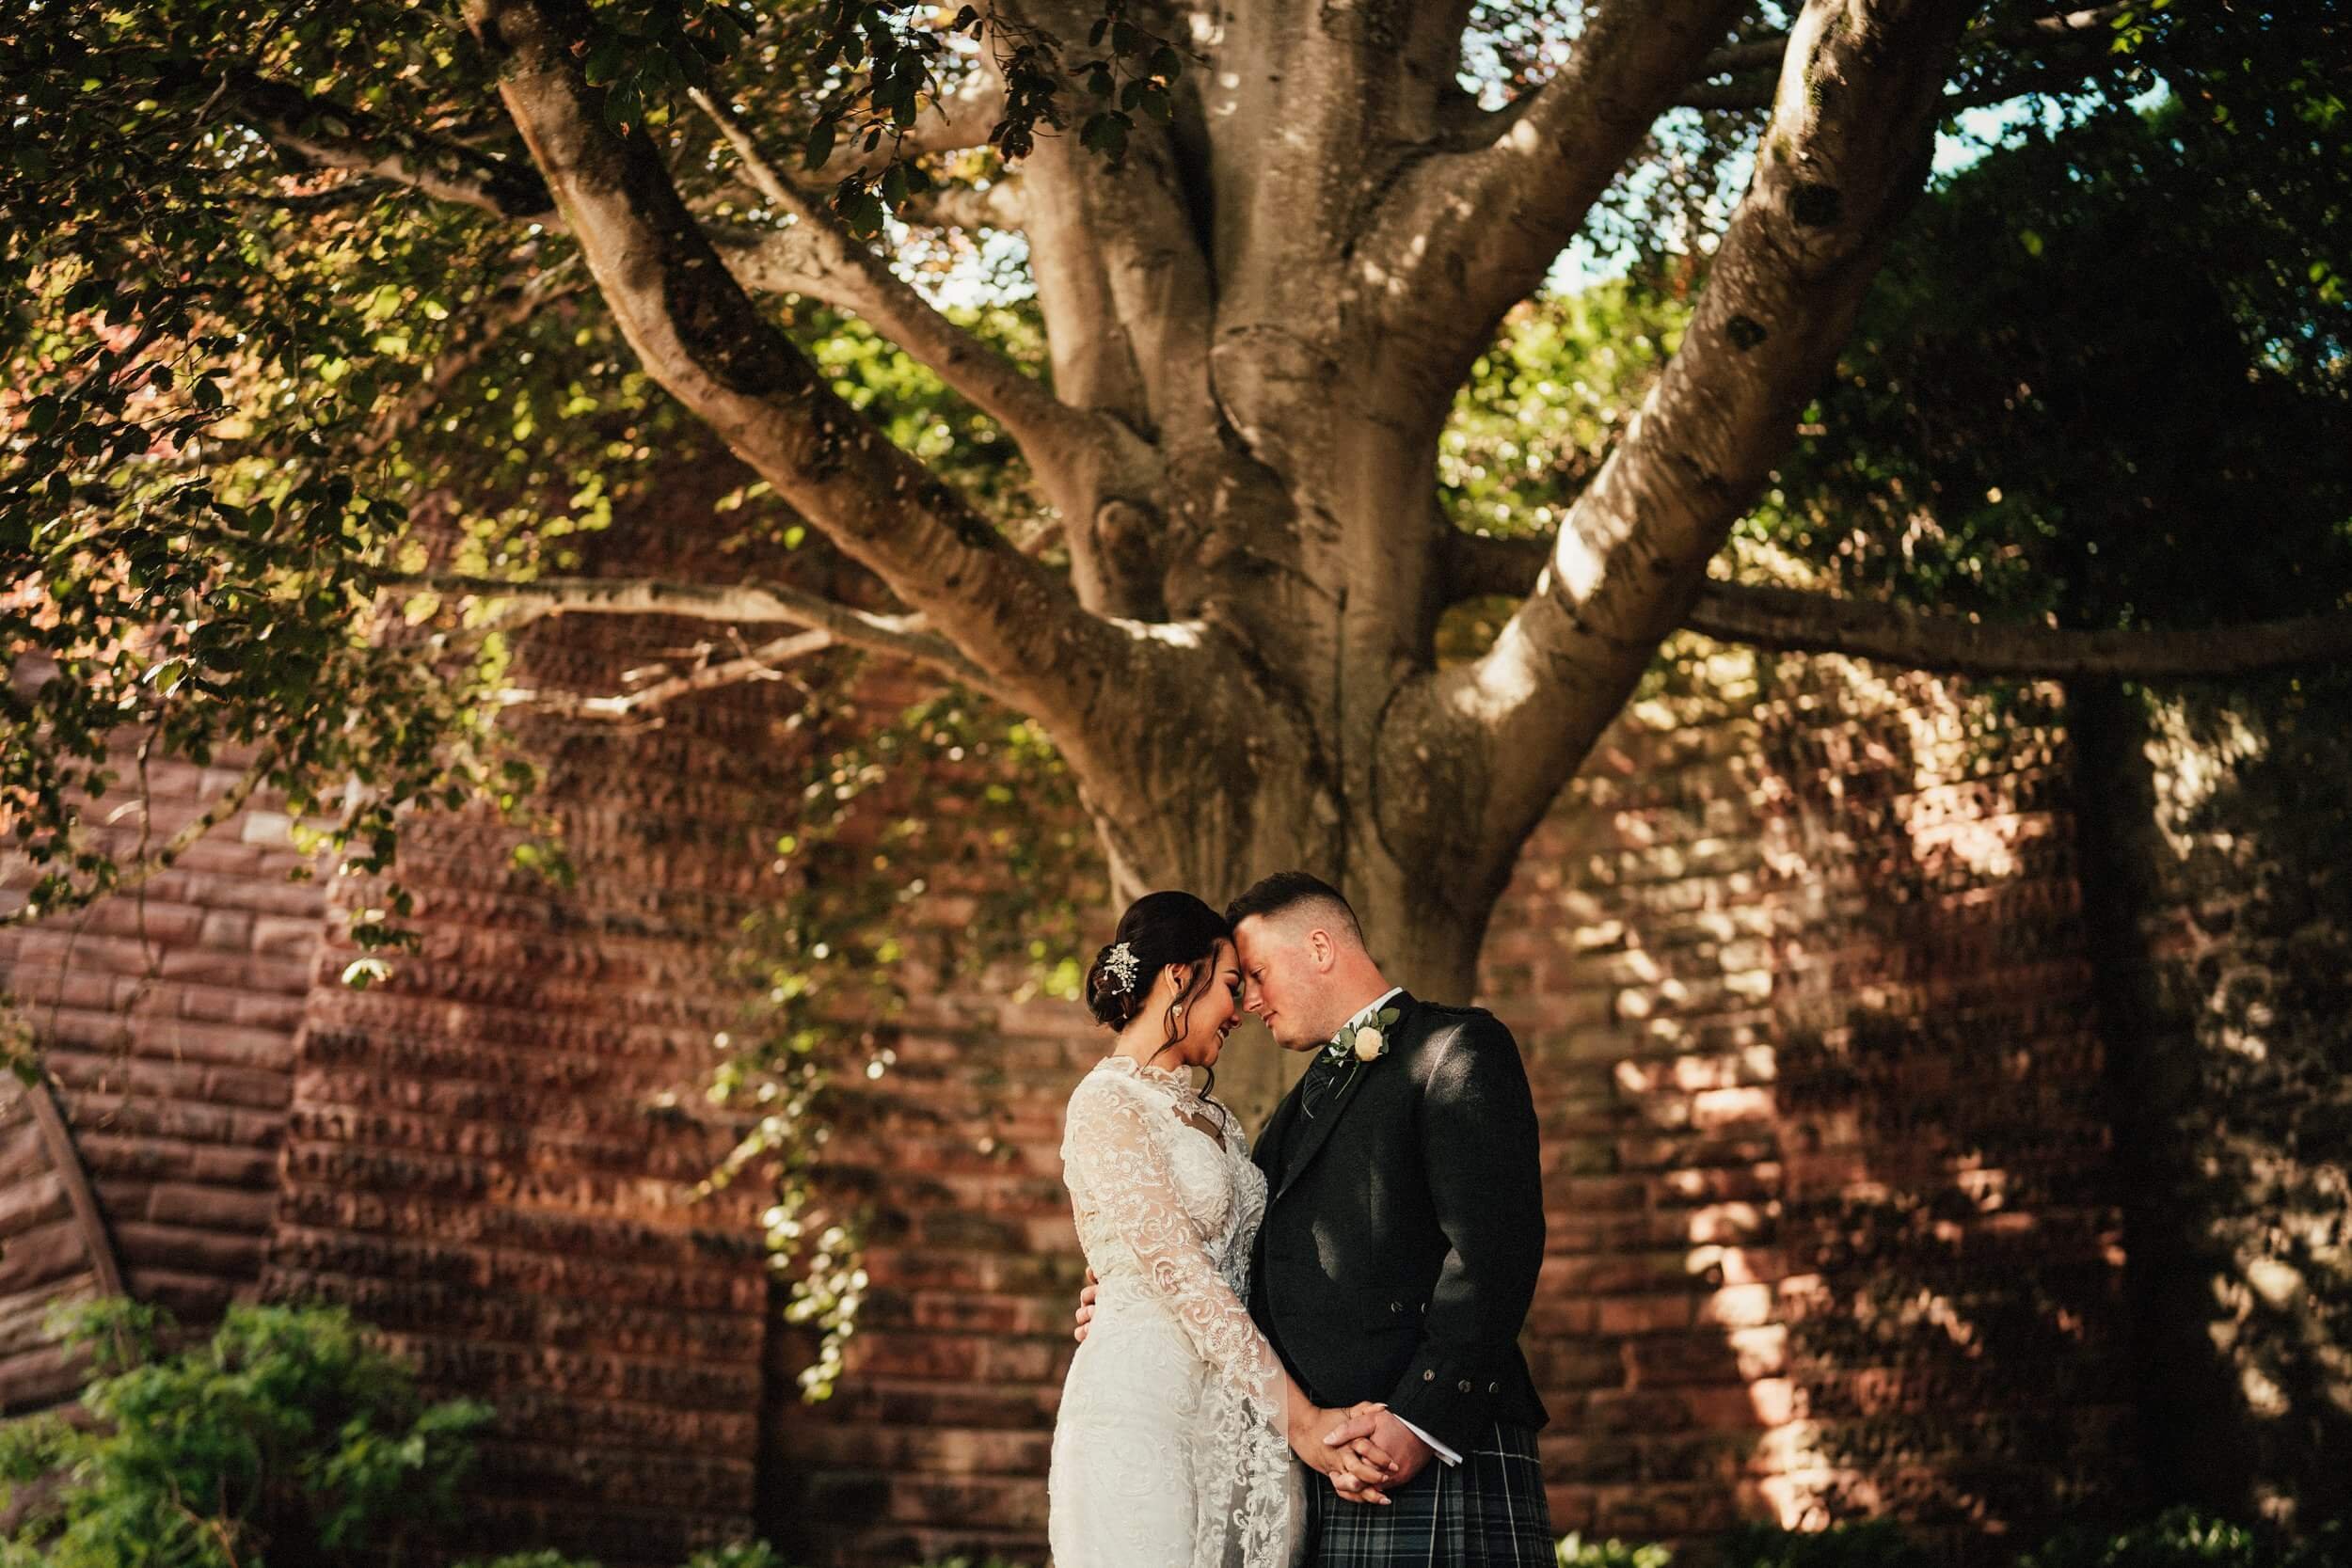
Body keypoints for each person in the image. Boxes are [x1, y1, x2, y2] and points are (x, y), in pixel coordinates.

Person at [1074, 872, 1553, 1566]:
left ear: (1321, 946)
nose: (1251, 1002)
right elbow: (1234, 1259)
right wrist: (1126, 1294)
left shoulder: (1454, 1049)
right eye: (1239, 984)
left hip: (1441, 1445)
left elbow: (1495, 1251)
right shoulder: (1285, 1120)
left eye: (1259, 975)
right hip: (1327, 1464)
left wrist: (1421, 1421)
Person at [1048, 890, 1396, 1568]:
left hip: (1238, 1423)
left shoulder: (1222, 1126)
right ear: (1180, 975)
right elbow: (1179, 1270)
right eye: (1231, 986)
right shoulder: (1105, 1103)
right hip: (1143, 1410)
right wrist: (1304, 1423)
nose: (1240, 1010)